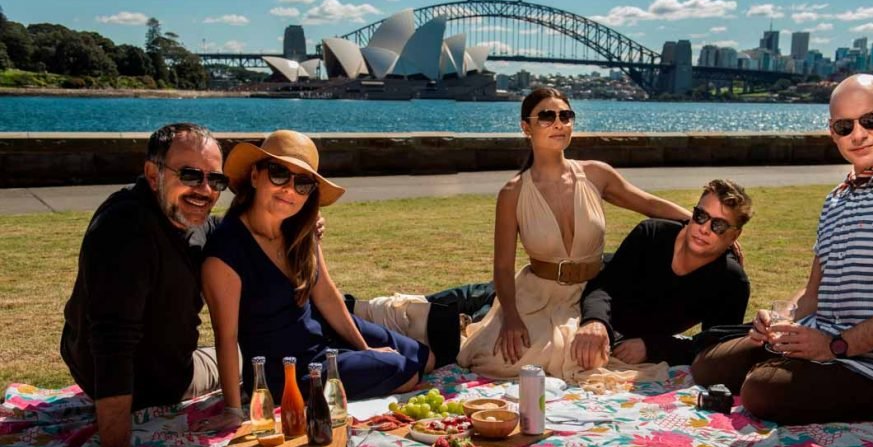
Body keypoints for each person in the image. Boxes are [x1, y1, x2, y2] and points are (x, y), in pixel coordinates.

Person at [691, 74, 873, 424]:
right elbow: (813, 294)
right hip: (830, 346)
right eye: (844, 126)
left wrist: (835, 346)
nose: (857, 135)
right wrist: (782, 319)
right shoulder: (837, 200)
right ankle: (784, 362)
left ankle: (786, 369)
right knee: (708, 367)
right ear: (832, 132)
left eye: (869, 121)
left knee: (762, 390)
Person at [455, 87, 693, 380]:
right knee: (500, 360)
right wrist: (512, 319)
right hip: (538, 296)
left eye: (566, 116)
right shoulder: (513, 192)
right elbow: (503, 267)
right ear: (525, 127)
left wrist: (701, 222)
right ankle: (478, 318)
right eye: (546, 116)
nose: (559, 123)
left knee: (586, 356)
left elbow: (648, 203)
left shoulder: (596, 174)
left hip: (593, 292)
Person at [202, 130, 435, 410]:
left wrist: (363, 348)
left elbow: (325, 294)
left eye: (302, 183)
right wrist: (232, 410)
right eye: (278, 173)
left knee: (424, 356)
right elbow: (225, 337)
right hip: (289, 371)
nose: (289, 189)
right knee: (405, 369)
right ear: (255, 176)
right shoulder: (227, 252)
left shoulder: (301, 231)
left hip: (322, 337)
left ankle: (358, 360)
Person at [61, 123, 230, 447]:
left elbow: (225, 227)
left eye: (215, 180)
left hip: (161, 364)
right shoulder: (124, 230)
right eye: (190, 175)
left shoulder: (185, 217)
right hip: (156, 381)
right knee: (251, 355)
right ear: (153, 174)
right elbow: (112, 342)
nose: (204, 190)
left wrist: (301, 224)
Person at [571, 179, 752, 370]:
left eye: (719, 226)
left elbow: (714, 347)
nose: (704, 229)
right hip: (583, 306)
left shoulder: (731, 282)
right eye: (700, 216)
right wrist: (595, 321)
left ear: (734, 236)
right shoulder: (651, 235)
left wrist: (653, 347)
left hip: (633, 344)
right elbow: (605, 285)